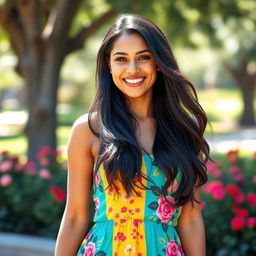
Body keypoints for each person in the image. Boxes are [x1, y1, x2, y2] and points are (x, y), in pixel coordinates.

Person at [55, 13, 210, 256]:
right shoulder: (88, 130)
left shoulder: (184, 131)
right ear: (109, 64)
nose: (132, 69)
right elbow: (75, 216)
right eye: (121, 59)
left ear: (158, 62)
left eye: (143, 57)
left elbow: (190, 219)